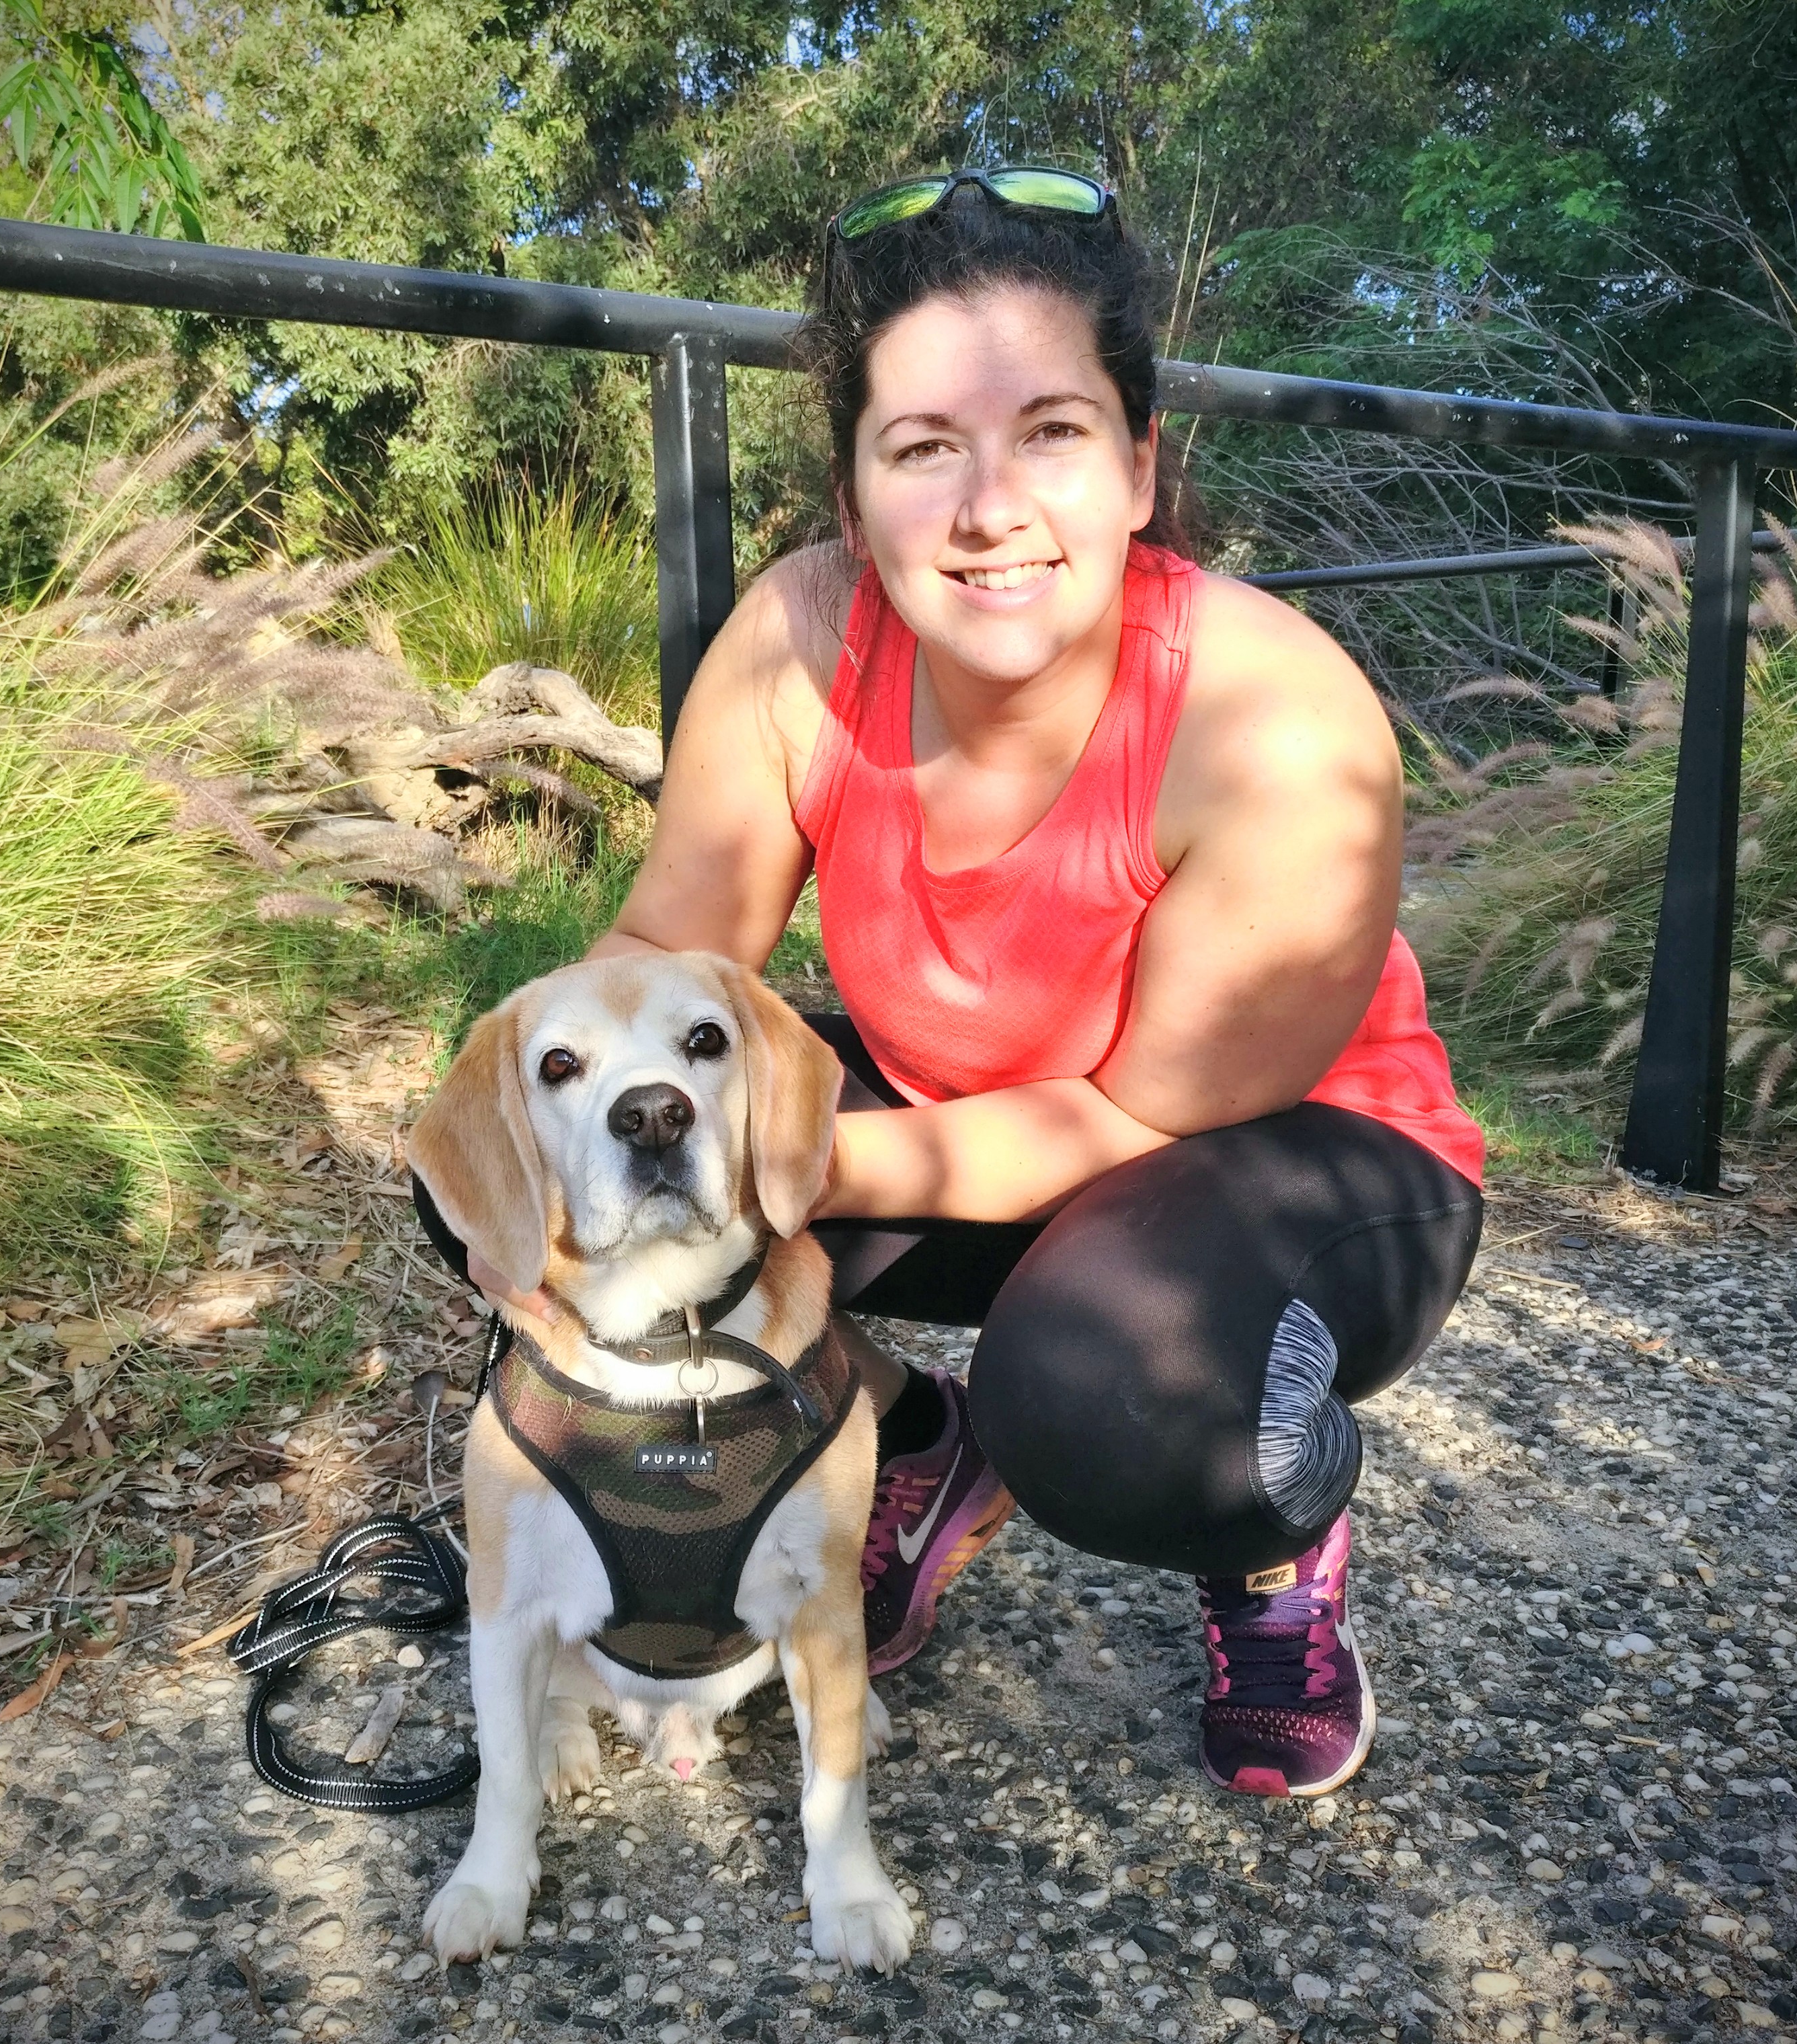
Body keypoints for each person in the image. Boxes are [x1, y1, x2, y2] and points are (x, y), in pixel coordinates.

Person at [497, 167, 1484, 1799]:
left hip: (1295, 1164)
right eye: (923, 448)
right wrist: (541, 1112)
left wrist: (770, 1158)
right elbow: (657, 962)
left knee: (1100, 1398)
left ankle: (1266, 1529)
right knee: (536, 1152)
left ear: (1141, 459)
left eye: (1050, 432)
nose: (988, 506)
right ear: (854, 483)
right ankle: (908, 1431)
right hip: (980, 1123)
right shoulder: (799, 640)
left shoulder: (1277, 722)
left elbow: (1133, 1115)